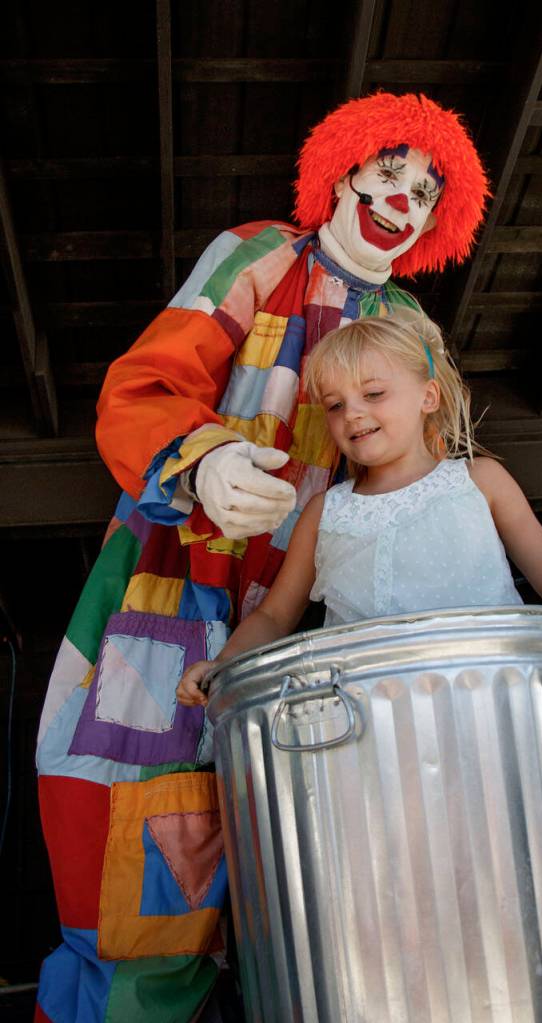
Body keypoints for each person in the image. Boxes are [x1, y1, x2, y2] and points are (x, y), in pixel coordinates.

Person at [34, 93, 490, 1022]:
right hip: (163, 600)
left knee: (306, 908)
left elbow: (430, 480)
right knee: (130, 907)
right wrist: (202, 462)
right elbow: (147, 382)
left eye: (427, 192)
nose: (404, 201)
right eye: (391, 173)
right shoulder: (260, 250)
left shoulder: (408, 322)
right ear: (346, 166)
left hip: (314, 637)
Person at [177, 312, 542, 706]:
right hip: (368, 721)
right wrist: (222, 665)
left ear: (428, 397)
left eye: (373, 394)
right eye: (335, 405)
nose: (352, 413)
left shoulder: (478, 481)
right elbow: (274, 616)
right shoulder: (324, 511)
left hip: (490, 698)